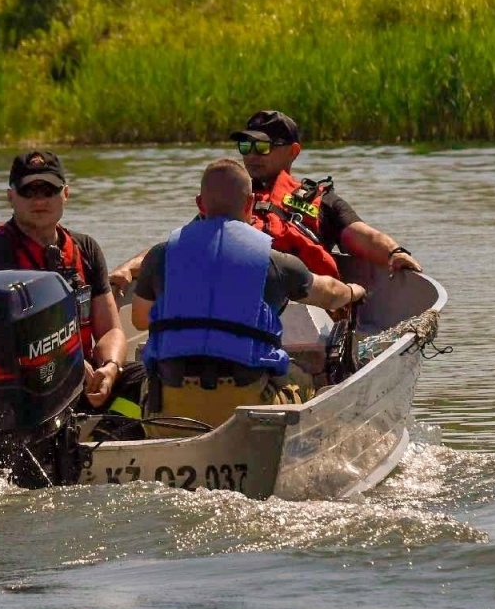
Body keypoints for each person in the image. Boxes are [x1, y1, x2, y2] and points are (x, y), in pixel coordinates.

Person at [130, 159, 368, 429]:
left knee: (143, 379)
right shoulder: (273, 260)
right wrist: (353, 291)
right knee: (305, 377)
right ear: (250, 203)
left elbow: (140, 319)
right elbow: (330, 294)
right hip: (246, 404)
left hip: (169, 406)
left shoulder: (160, 255)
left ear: (199, 204)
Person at [111, 109, 423, 294]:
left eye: (262, 146)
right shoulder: (230, 197)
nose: (250, 154)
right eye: (244, 144)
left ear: (293, 151)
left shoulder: (321, 201)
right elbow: (178, 244)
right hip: (235, 303)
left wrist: (394, 252)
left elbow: (358, 234)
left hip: (307, 302)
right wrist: (129, 268)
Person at [0, 150, 144, 421]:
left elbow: (110, 329)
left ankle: (111, 439)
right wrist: (69, 364)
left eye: (48, 189)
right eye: (29, 191)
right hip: (25, 385)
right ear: (11, 197)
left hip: (84, 379)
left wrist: (109, 369)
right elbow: (0, 339)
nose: (40, 199)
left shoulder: (86, 248)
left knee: (146, 378)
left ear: (65, 194)